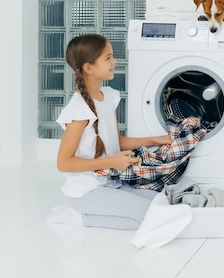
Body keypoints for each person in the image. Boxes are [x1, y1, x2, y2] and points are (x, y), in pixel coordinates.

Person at [47, 33, 171, 230]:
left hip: (110, 182)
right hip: (86, 192)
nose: (114, 61)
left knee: (161, 201)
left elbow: (116, 141)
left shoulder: (110, 97)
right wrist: (111, 162)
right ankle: (75, 217)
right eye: (108, 58)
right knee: (151, 216)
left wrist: (154, 140)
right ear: (89, 68)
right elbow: (64, 163)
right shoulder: (79, 110)